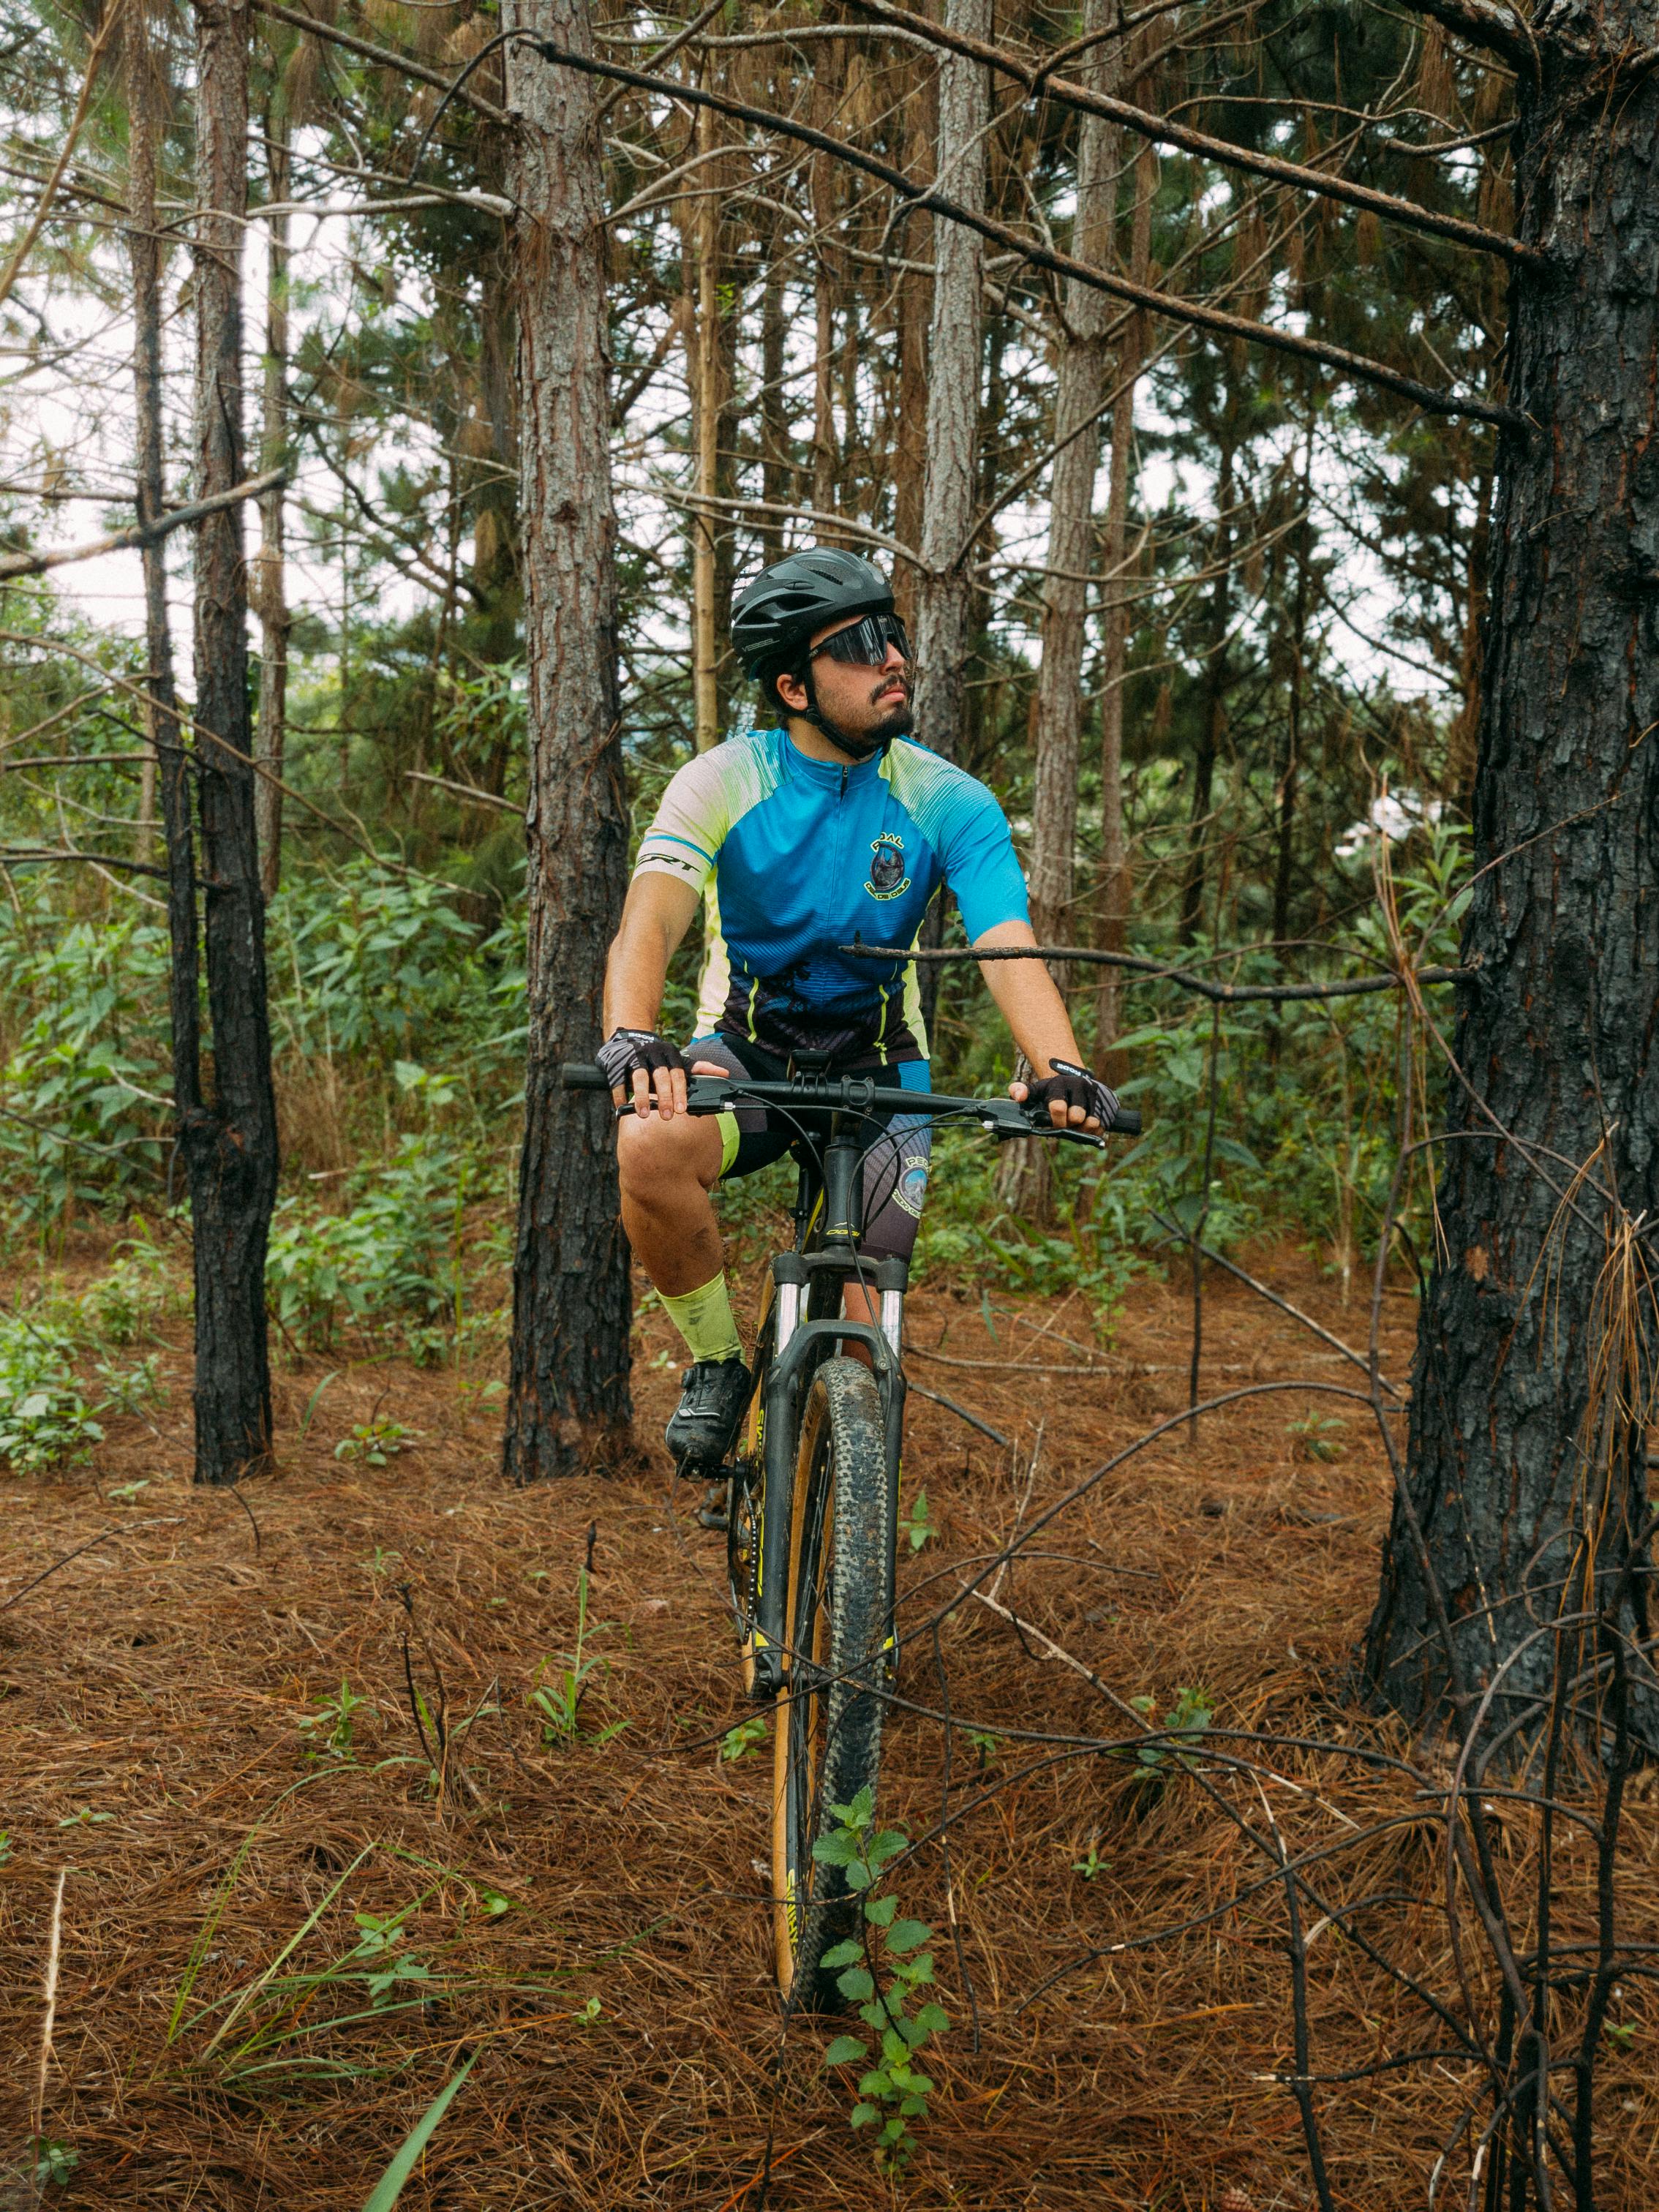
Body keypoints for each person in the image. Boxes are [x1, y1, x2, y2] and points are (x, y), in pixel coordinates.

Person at [597, 546, 1119, 1472]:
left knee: (867, 1355)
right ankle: (718, 1363)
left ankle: (833, 1520)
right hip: (750, 1057)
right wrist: (634, 1033)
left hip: (881, 1074)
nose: (894, 658)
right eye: (863, 643)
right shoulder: (723, 780)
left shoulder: (947, 799)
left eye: (895, 635)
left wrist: (1061, 1069)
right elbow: (653, 918)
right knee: (648, 1145)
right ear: (794, 687)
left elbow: (1007, 944)